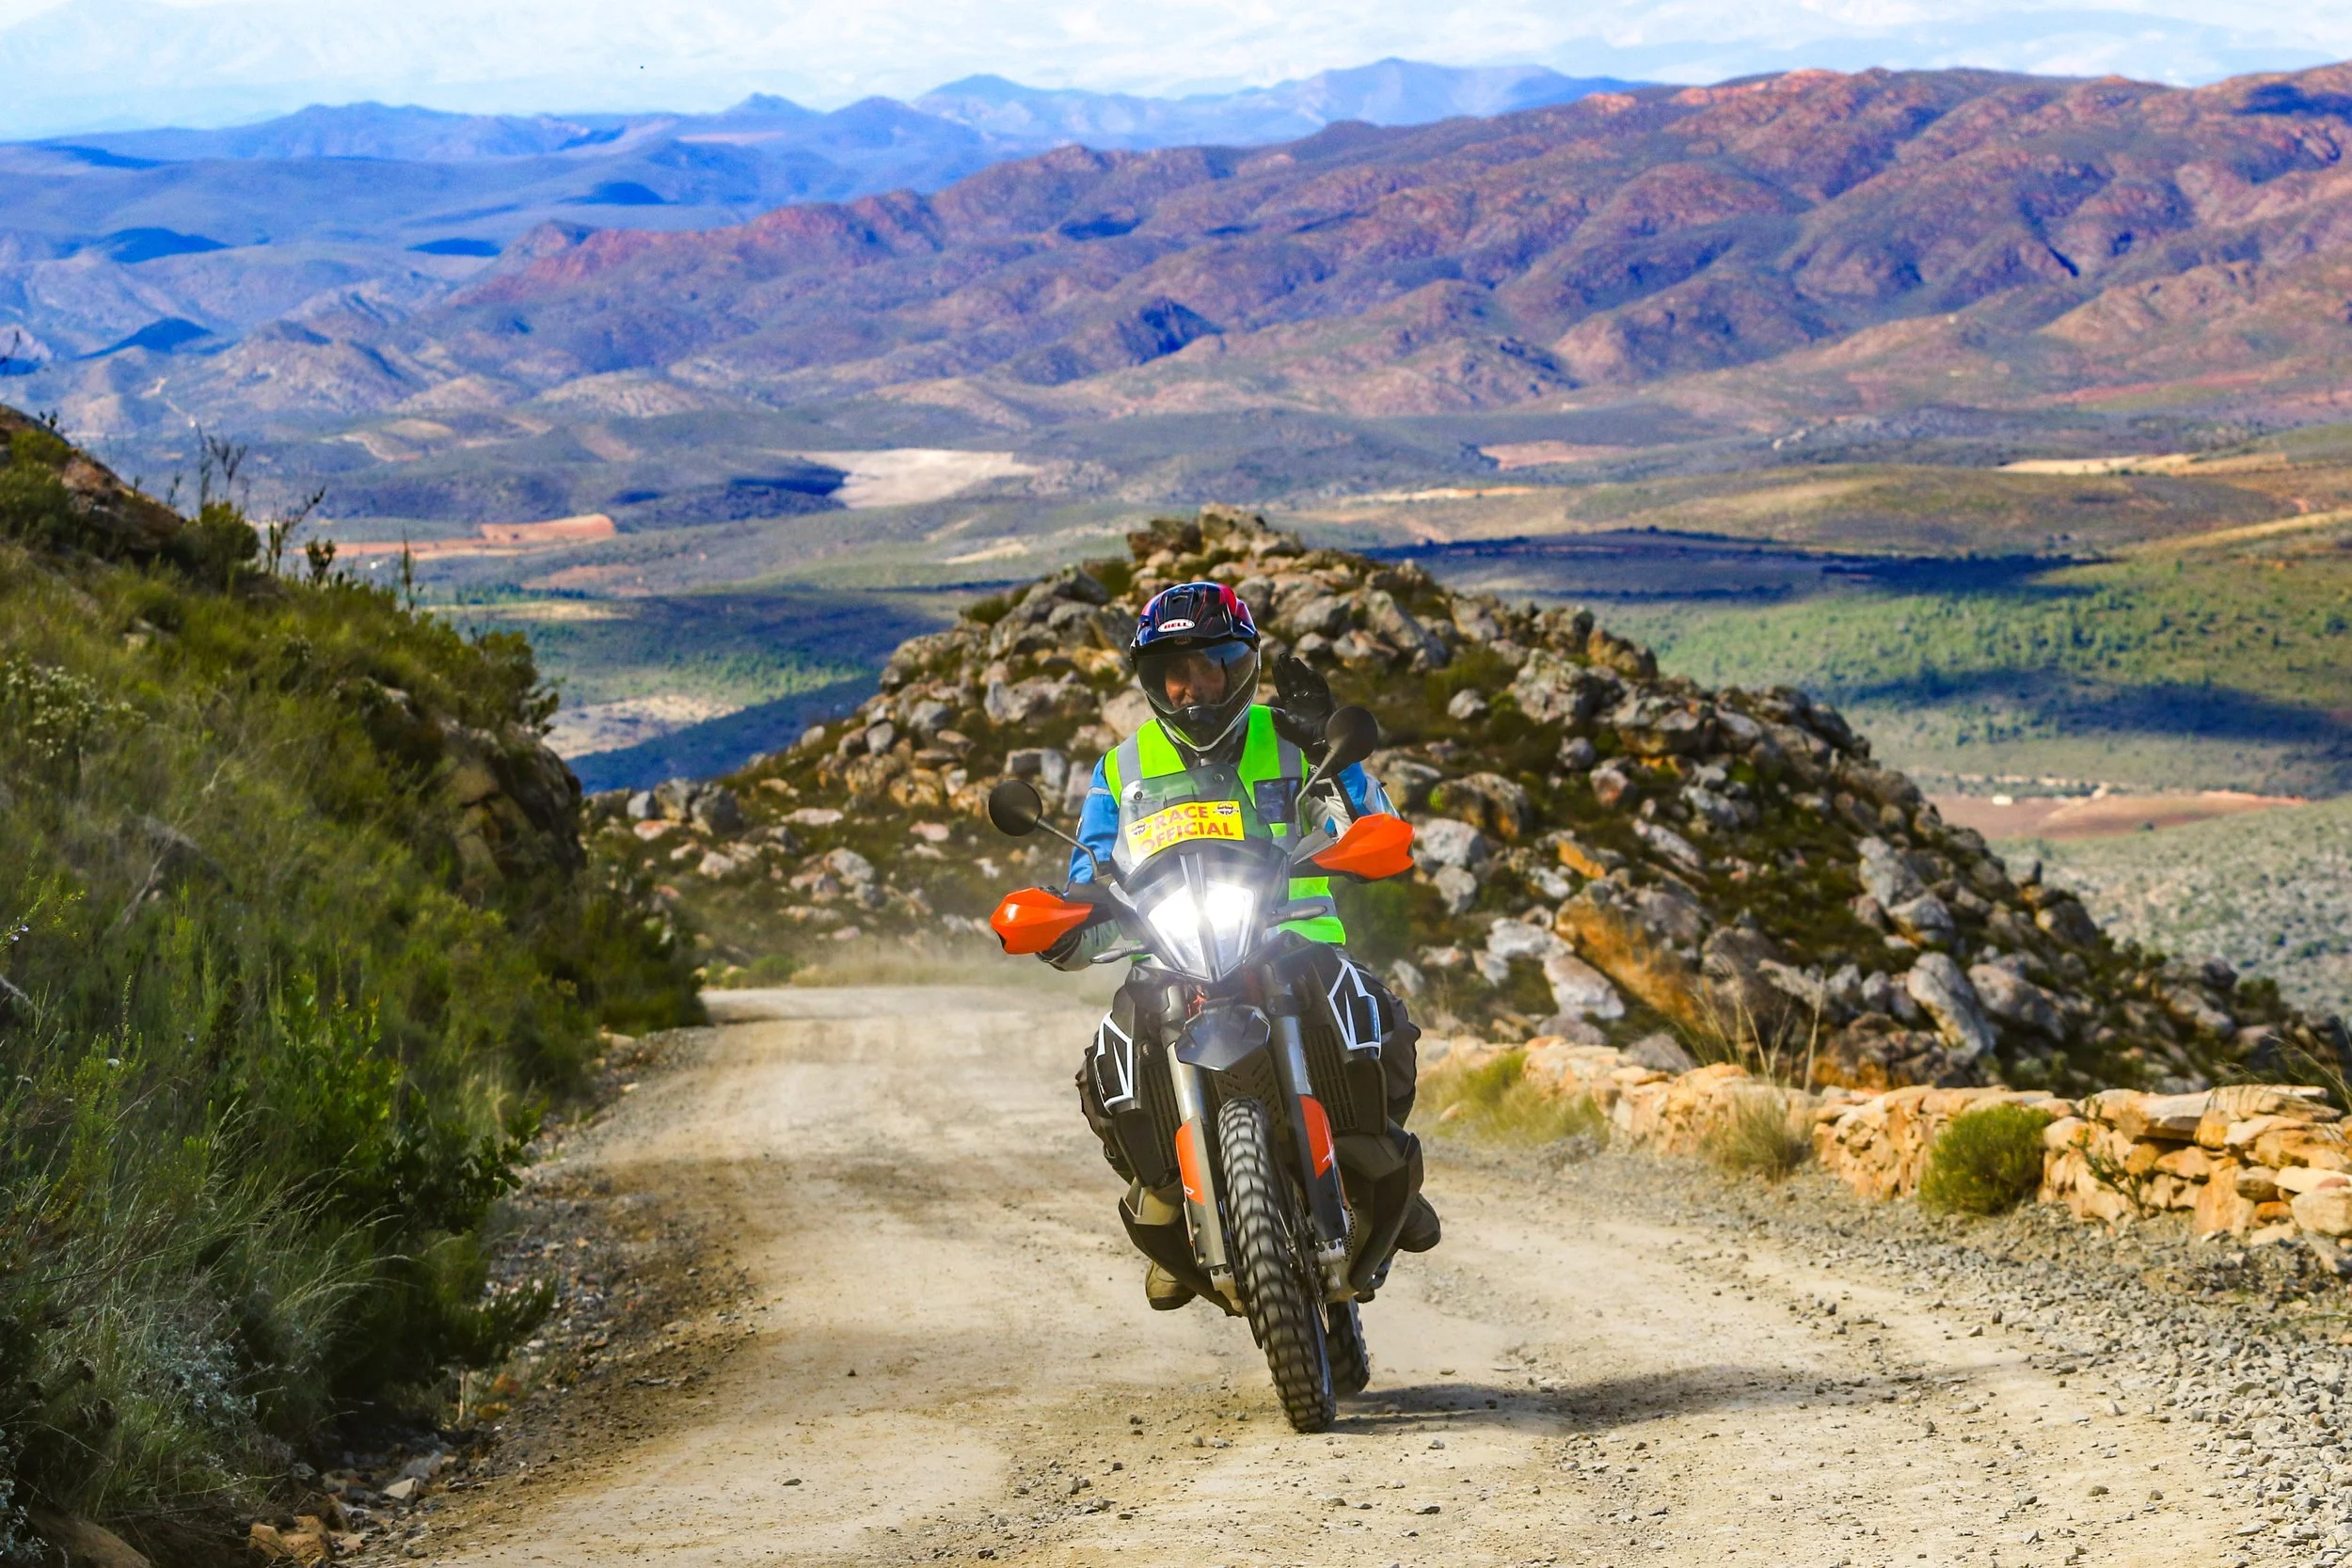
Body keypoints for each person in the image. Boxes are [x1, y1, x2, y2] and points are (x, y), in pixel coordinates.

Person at [1039, 579, 1440, 1309]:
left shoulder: (1287, 738)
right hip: (1170, 951)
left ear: (1239, 666)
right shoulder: (1119, 769)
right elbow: (1089, 867)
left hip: (1288, 936)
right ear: (1154, 680)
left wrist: (1333, 752)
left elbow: (1370, 820)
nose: (1193, 687)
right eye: (1175, 672)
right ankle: (1165, 1195)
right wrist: (1067, 916)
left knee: (1377, 1013)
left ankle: (1378, 1164)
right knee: (1106, 1065)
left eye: (1209, 667)